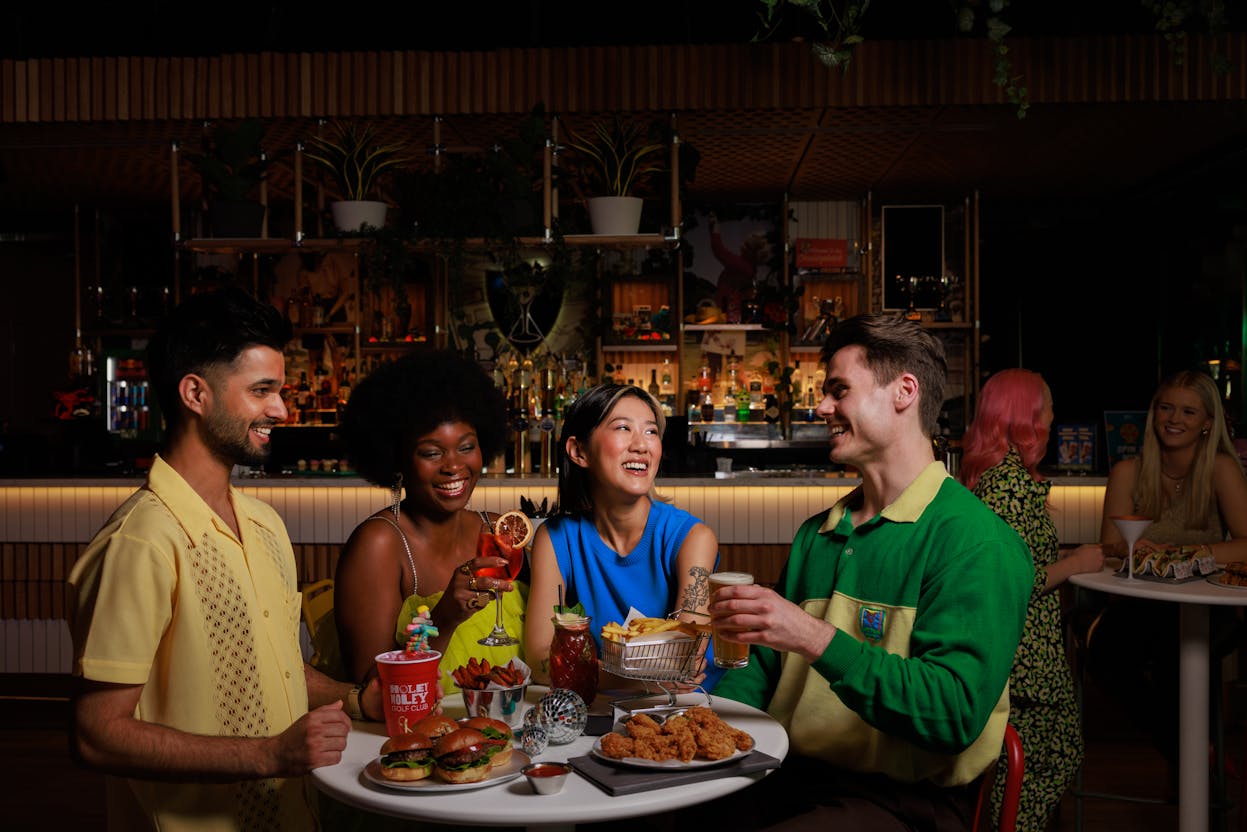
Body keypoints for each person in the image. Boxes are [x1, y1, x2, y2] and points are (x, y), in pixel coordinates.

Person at [67, 288, 385, 832]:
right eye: (262, 391)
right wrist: (269, 755)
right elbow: (96, 735)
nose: (280, 410)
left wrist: (357, 701)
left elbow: (276, 666)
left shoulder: (265, 525)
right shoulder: (141, 542)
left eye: (279, 391)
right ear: (195, 393)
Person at [706, 314, 1033, 831]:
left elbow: (951, 714)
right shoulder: (818, 533)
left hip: (906, 800)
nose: (822, 407)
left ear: (904, 392)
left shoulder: (976, 542)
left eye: (839, 391)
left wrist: (814, 636)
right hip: (790, 774)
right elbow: (763, 668)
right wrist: (710, 735)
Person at [958, 368, 1105, 830]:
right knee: (1052, 757)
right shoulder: (1010, 485)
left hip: (1018, 651)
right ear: (1026, 417)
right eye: (1048, 406)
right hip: (1026, 657)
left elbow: (1014, 560)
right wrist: (1075, 563)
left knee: (1029, 764)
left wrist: (1062, 557)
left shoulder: (996, 478)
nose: (1054, 416)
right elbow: (1012, 582)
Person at [1087, 369, 1247, 776]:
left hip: (1207, 608)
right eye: (1166, 408)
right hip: (1141, 606)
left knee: (1181, 654)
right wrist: (1132, 547)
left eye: (1188, 412)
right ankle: (1193, 758)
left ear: (1207, 422)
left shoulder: (1220, 469)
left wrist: (1184, 553)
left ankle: (1194, 773)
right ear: (1154, 413)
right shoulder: (1128, 471)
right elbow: (1110, 545)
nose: (1174, 419)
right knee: (1104, 656)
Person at [336, 349, 523, 694]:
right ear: (399, 460)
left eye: (466, 447)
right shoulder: (379, 545)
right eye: (432, 453)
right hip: (416, 725)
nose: (453, 466)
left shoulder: (495, 530)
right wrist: (445, 618)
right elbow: (372, 689)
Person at [525, 383, 722, 693]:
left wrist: (586, 672)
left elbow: (684, 660)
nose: (642, 445)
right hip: (602, 709)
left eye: (651, 431)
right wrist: (640, 678)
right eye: (623, 428)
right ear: (579, 452)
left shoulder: (693, 538)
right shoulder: (555, 538)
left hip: (687, 709)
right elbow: (539, 661)